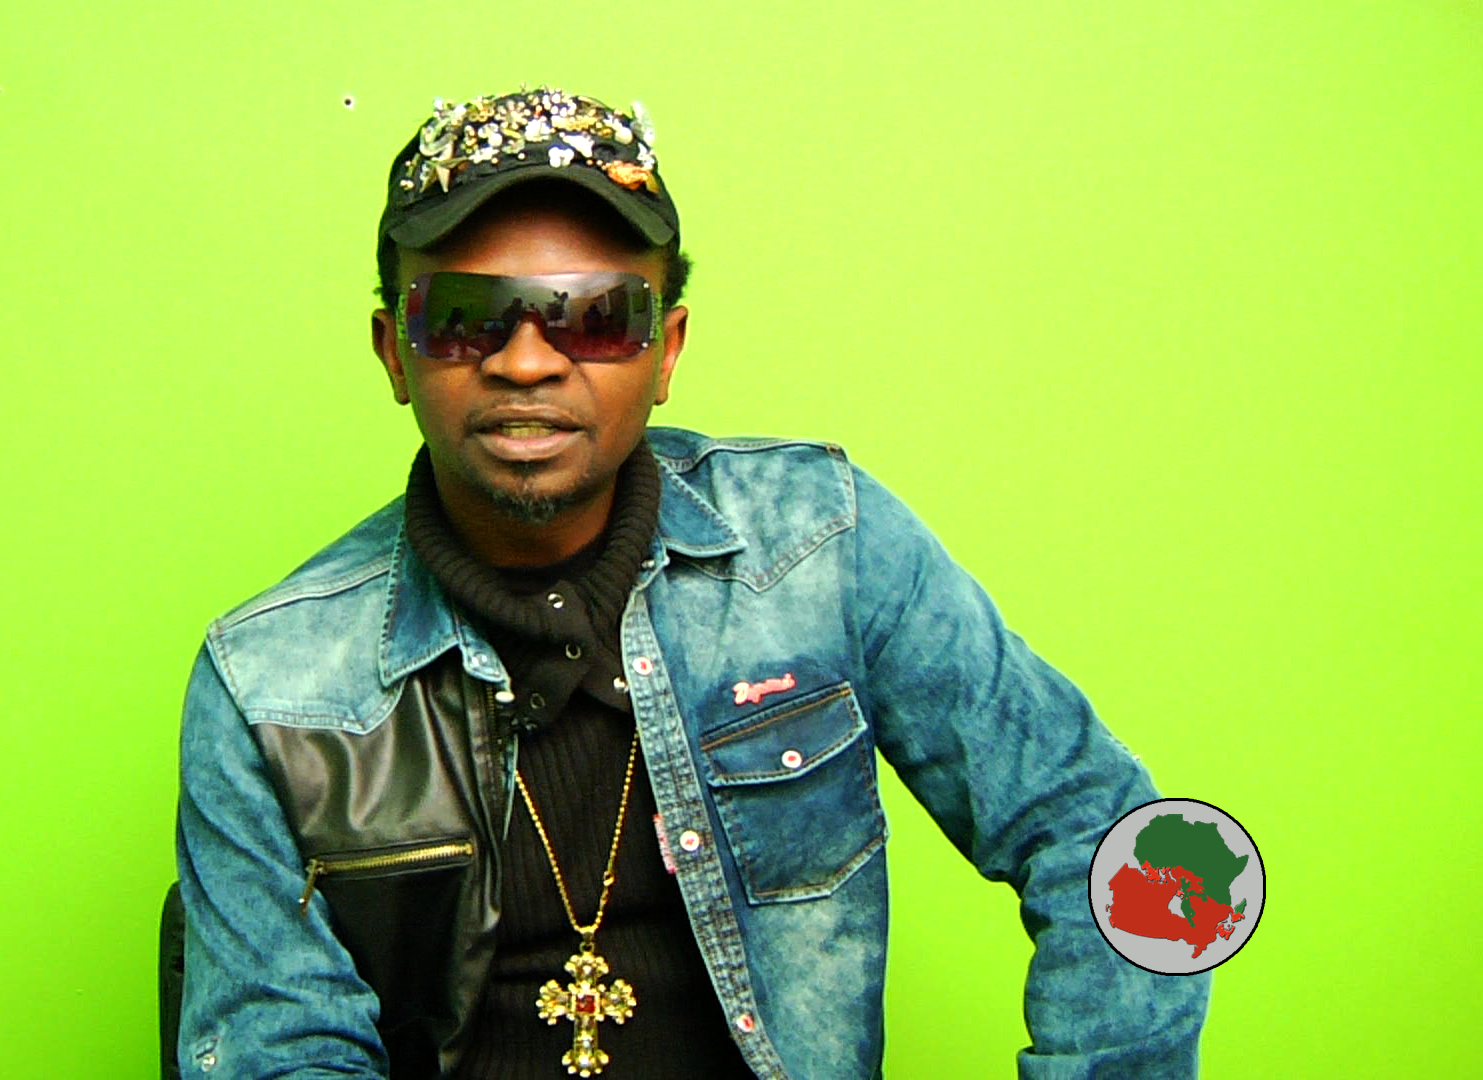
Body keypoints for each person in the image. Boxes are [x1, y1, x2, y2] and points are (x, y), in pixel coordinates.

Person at [174, 85, 1209, 1079]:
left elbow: (1125, 839)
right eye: (464, 316)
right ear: (394, 353)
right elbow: (280, 1048)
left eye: (593, 316)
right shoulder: (269, 684)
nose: (527, 363)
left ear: (665, 351)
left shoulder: (824, 546)